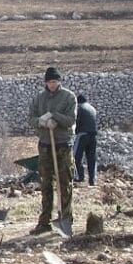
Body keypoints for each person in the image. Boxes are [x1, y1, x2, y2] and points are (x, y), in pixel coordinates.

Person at [28, 66, 76, 234]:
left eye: (54, 81)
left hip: (63, 144)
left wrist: (55, 116)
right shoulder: (39, 99)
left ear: (59, 81)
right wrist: (41, 121)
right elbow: (31, 118)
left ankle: (65, 217)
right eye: (49, 82)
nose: (52, 85)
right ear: (45, 83)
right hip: (45, 145)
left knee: (64, 184)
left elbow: (71, 119)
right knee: (46, 183)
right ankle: (44, 221)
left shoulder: (69, 97)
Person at [73, 92, 99, 187]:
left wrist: (74, 131)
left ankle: (79, 176)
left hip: (83, 135)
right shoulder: (92, 108)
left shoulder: (79, 108)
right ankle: (93, 180)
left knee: (75, 156)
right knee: (92, 158)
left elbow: (76, 121)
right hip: (93, 136)